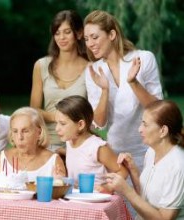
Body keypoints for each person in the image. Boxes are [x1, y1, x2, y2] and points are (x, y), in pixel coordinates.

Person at [83, 10, 163, 172]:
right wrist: (104, 90)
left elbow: (158, 109)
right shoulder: (93, 70)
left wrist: (133, 83)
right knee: (121, 197)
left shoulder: (144, 58)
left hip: (150, 149)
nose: (90, 43)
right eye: (86, 39)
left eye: (94, 37)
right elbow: (99, 123)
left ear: (111, 34)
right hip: (117, 155)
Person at [106, 100, 184, 219]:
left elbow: (164, 218)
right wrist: (133, 170)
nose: (139, 129)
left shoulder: (178, 165)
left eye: (145, 124)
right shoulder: (151, 152)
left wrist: (127, 190)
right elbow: (145, 198)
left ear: (163, 131)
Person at [30, 10, 88, 156]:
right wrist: (58, 117)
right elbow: (33, 110)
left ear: (79, 34)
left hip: (78, 143)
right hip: (47, 143)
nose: (61, 37)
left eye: (67, 32)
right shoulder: (41, 65)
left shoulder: (91, 69)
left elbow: (92, 114)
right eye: (57, 33)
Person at [0, 107, 66, 187]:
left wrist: (59, 182)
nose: (19, 137)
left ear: (39, 132)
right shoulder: (2, 158)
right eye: (15, 131)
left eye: (25, 131)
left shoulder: (53, 161)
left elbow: (60, 194)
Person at [55, 95, 128, 193]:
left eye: (62, 124)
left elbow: (122, 171)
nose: (57, 128)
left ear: (80, 124)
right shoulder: (69, 141)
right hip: (77, 199)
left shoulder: (98, 147)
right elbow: (81, 156)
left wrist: (109, 187)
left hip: (97, 200)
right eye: (57, 123)